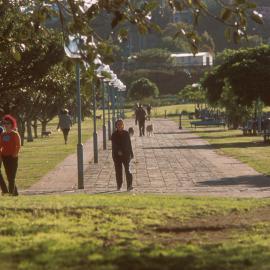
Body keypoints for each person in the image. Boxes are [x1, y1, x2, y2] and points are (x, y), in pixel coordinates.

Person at [0, 115, 21, 196]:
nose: (6, 125)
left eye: (8, 123)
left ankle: (11, 194)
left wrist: (15, 154)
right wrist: (1, 157)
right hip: (5, 157)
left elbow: (18, 145)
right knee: (9, 176)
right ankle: (15, 194)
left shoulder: (15, 134)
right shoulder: (2, 135)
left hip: (13, 158)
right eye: (4, 123)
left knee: (11, 177)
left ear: (12, 124)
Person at [111, 119, 134, 191]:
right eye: (118, 124)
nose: (120, 126)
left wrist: (131, 153)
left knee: (128, 170)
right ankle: (119, 185)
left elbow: (129, 144)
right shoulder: (114, 135)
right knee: (118, 171)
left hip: (126, 155)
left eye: (121, 124)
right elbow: (114, 145)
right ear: (116, 126)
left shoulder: (126, 133)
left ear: (123, 125)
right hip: (117, 156)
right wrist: (118, 151)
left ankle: (129, 185)